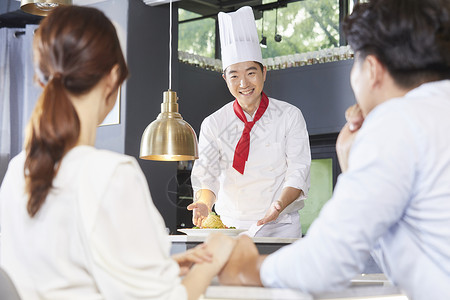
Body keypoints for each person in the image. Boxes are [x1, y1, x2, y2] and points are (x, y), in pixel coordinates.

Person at [217, 0, 450, 299]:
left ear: (373, 69)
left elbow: (327, 261)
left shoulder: (397, 122)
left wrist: (249, 268)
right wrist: (351, 163)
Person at [0, 6, 235, 300]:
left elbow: (63, 276)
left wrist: (161, 269)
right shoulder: (110, 174)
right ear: (112, 78)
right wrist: (215, 256)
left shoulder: (19, 169)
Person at [188, 6, 311, 238]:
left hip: (281, 225)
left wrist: (278, 205)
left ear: (264, 72)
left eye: (251, 73)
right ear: (225, 79)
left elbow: (298, 170)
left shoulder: (289, 115)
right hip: (231, 227)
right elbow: (207, 175)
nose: (243, 82)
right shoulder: (214, 123)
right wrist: (204, 204)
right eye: (234, 75)